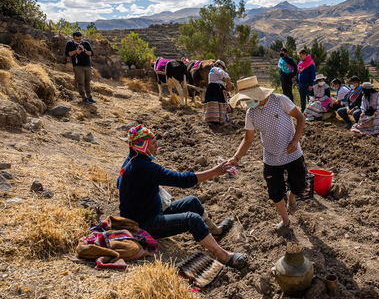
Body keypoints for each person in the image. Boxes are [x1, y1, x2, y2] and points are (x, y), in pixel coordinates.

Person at [117, 124, 247, 269]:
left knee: (192, 201)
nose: (157, 146)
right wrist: (214, 172)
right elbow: (182, 180)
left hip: (152, 212)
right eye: (153, 143)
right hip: (145, 224)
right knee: (192, 219)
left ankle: (215, 232)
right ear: (141, 146)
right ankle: (223, 255)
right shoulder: (144, 168)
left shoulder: (132, 161)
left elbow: (121, 185)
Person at [227, 76, 306, 230]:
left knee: (300, 186)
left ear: (257, 94)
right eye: (243, 99)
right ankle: (285, 220)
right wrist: (236, 157)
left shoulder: (280, 100)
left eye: (247, 98)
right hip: (271, 157)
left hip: (292, 152)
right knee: (275, 192)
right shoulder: (251, 113)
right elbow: (248, 139)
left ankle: (292, 197)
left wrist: (295, 140)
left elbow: (300, 118)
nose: (246, 102)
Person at [65, 31, 95, 104]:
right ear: (73, 38)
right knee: (80, 82)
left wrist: (84, 50)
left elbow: (91, 53)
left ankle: (89, 97)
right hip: (78, 66)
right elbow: (67, 54)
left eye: (79, 39)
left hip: (87, 65)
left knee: (88, 81)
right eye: (76, 39)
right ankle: (83, 98)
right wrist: (75, 51)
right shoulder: (70, 44)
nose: (78, 41)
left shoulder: (86, 43)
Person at [203, 60, 233, 124]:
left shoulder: (212, 70)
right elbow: (222, 72)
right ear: (219, 66)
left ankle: (211, 118)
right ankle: (220, 118)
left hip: (211, 88)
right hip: (216, 88)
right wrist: (228, 77)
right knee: (220, 102)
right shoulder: (216, 69)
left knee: (212, 102)